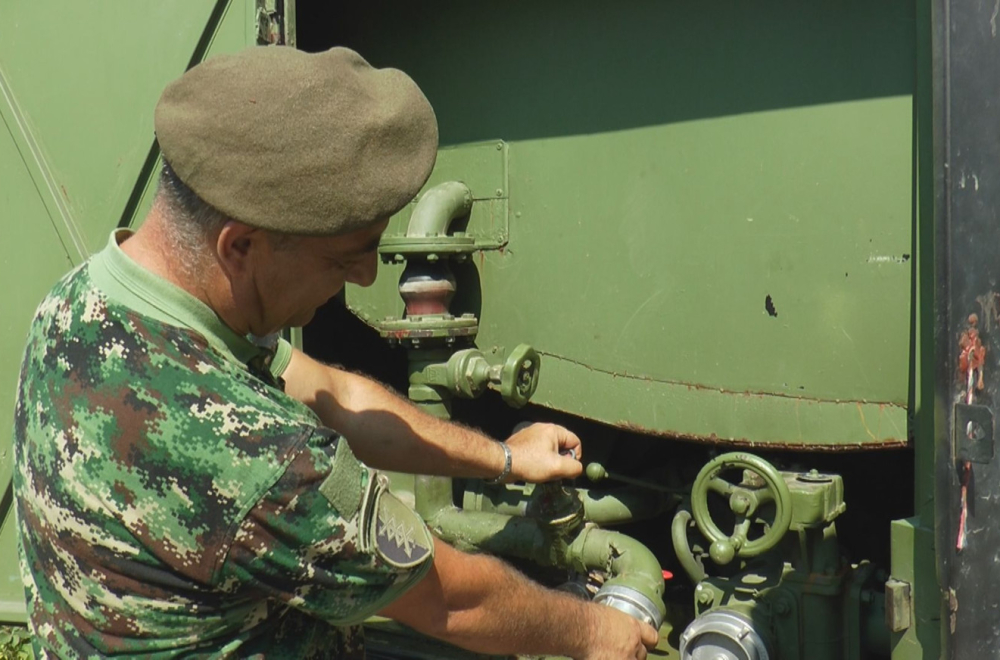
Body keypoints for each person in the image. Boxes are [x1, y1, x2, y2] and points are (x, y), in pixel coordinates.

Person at [12, 46, 658, 659]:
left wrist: (506, 458)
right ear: (240, 246)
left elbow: (335, 394)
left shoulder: (83, 301)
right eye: (343, 256)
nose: (367, 276)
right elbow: (451, 600)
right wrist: (596, 631)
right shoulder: (256, 457)